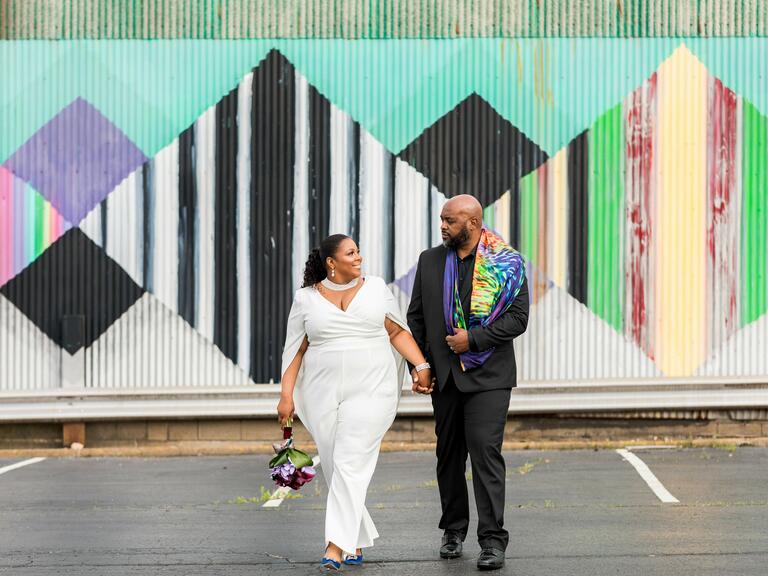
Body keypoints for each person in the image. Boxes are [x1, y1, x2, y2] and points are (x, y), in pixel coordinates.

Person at [278, 234, 432, 571]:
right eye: (351, 253)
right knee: (336, 463)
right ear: (331, 263)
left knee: (349, 460)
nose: (359, 257)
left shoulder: (377, 288)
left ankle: (335, 545)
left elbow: (396, 331)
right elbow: (295, 350)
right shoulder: (305, 299)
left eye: (359, 251)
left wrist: (420, 365)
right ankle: (355, 538)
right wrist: (286, 396)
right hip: (322, 393)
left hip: (372, 388)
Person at [407, 194, 529, 571]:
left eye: (449, 220)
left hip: (489, 377)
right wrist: (421, 365)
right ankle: (453, 530)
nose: (442, 225)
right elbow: (416, 319)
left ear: (472, 223)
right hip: (445, 378)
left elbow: (518, 319)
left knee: (485, 454)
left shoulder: (505, 262)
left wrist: (472, 340)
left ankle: (492, 541)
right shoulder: (430, 261)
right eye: (441, 219)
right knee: (448, 457)